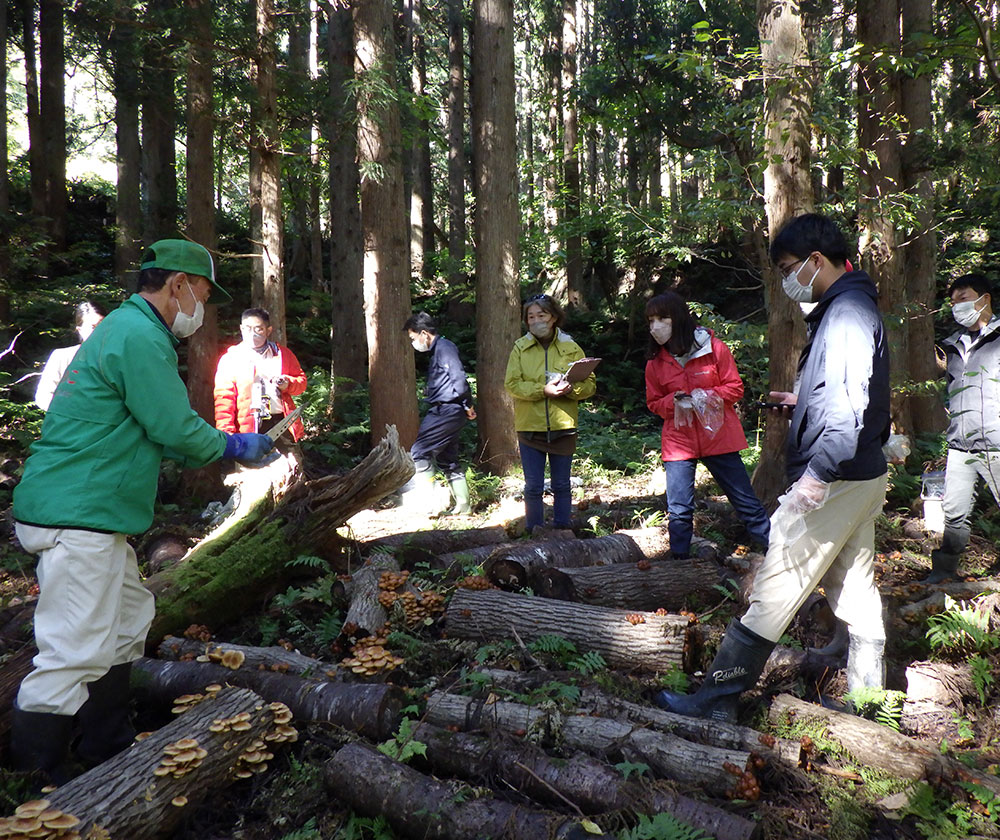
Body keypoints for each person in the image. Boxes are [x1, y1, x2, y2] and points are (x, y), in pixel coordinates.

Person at [10, 239, 275, 781]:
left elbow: (160, 427)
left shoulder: (131, 331)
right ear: (177, 284)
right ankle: (39, 783)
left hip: (93, 513)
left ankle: (106, 742)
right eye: (201, 293)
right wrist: (234, 446)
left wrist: (221, 445)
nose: (201, 309)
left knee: (129, 617)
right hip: (76, 512)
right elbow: (173, 427)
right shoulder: (136, 335)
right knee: (72, 650)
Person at [655, 213, 891, 721]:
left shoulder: (846, 312)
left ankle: (717, 699)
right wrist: (803, 401)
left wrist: (815, 477)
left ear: (815, 261)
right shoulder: (848, 306)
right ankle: (868, 697)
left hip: (838, 478)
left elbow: (849, 413)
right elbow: (851, 394)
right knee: (854, 581)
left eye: (788, 268)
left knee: (775, 585)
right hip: (862, 473)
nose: (788, 280)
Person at [644, 291, 770, 558]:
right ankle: (680, 565)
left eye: (662, 318)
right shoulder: (655, 363)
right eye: (651, 320)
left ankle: (779, 554)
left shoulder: (714, 348)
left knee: (745, 502)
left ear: (678, 318)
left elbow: (735, 388)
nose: (656, 326)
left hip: (719, 437)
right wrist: (674, 401)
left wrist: (707, 397)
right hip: (678, 441)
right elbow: (654, 402)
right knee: (679, 508)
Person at [927, 273, 1000, 582]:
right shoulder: (954, 345)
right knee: (954, 512)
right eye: (954, 301)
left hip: (997, 441)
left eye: (963, 298)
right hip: (961, 444)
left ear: (984, 299)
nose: (957, 306)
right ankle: (943, 574)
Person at [504, 294, 596, 533]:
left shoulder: (570, 347)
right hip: (529, 426)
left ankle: (563, 532)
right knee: (533, 486)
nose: (536, 321)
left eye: (541, 316)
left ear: (553, 317)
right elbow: (512, 384)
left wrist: (571, 389)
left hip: (563, 426)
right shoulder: (520, 348)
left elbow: (589, 384)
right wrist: (541, 390)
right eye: (531, 317)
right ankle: (534, 532)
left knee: (562, 485)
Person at [398, 312, 476, 515]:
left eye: (413, 338)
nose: (414, 343)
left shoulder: (445, 348)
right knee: (448, 458)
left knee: (419, 453)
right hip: (447, 408)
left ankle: (431, 505)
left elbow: (458, 377)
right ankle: (464, 507)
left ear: (424, 333)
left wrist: (467, 405)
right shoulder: (438, 350)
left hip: (448, 409)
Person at [214, 307, 307, 444]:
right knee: (252, 464)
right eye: (247, 328)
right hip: (247, 428)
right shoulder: (231, 358)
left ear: (268, 330)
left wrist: (288, 384)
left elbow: (301, 383)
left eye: (259, 329)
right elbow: (224, 398)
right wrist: (226, 434)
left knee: (289, 464)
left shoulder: (283, 354)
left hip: (281, 423)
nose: (252, 334)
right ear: (241, 329)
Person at [34, 302, 106, 410]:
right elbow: (44, 396)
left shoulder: (117, 358)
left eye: (103, 326)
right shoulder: (62, 357)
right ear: (80, 330)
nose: (99, 332)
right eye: (93, 327)